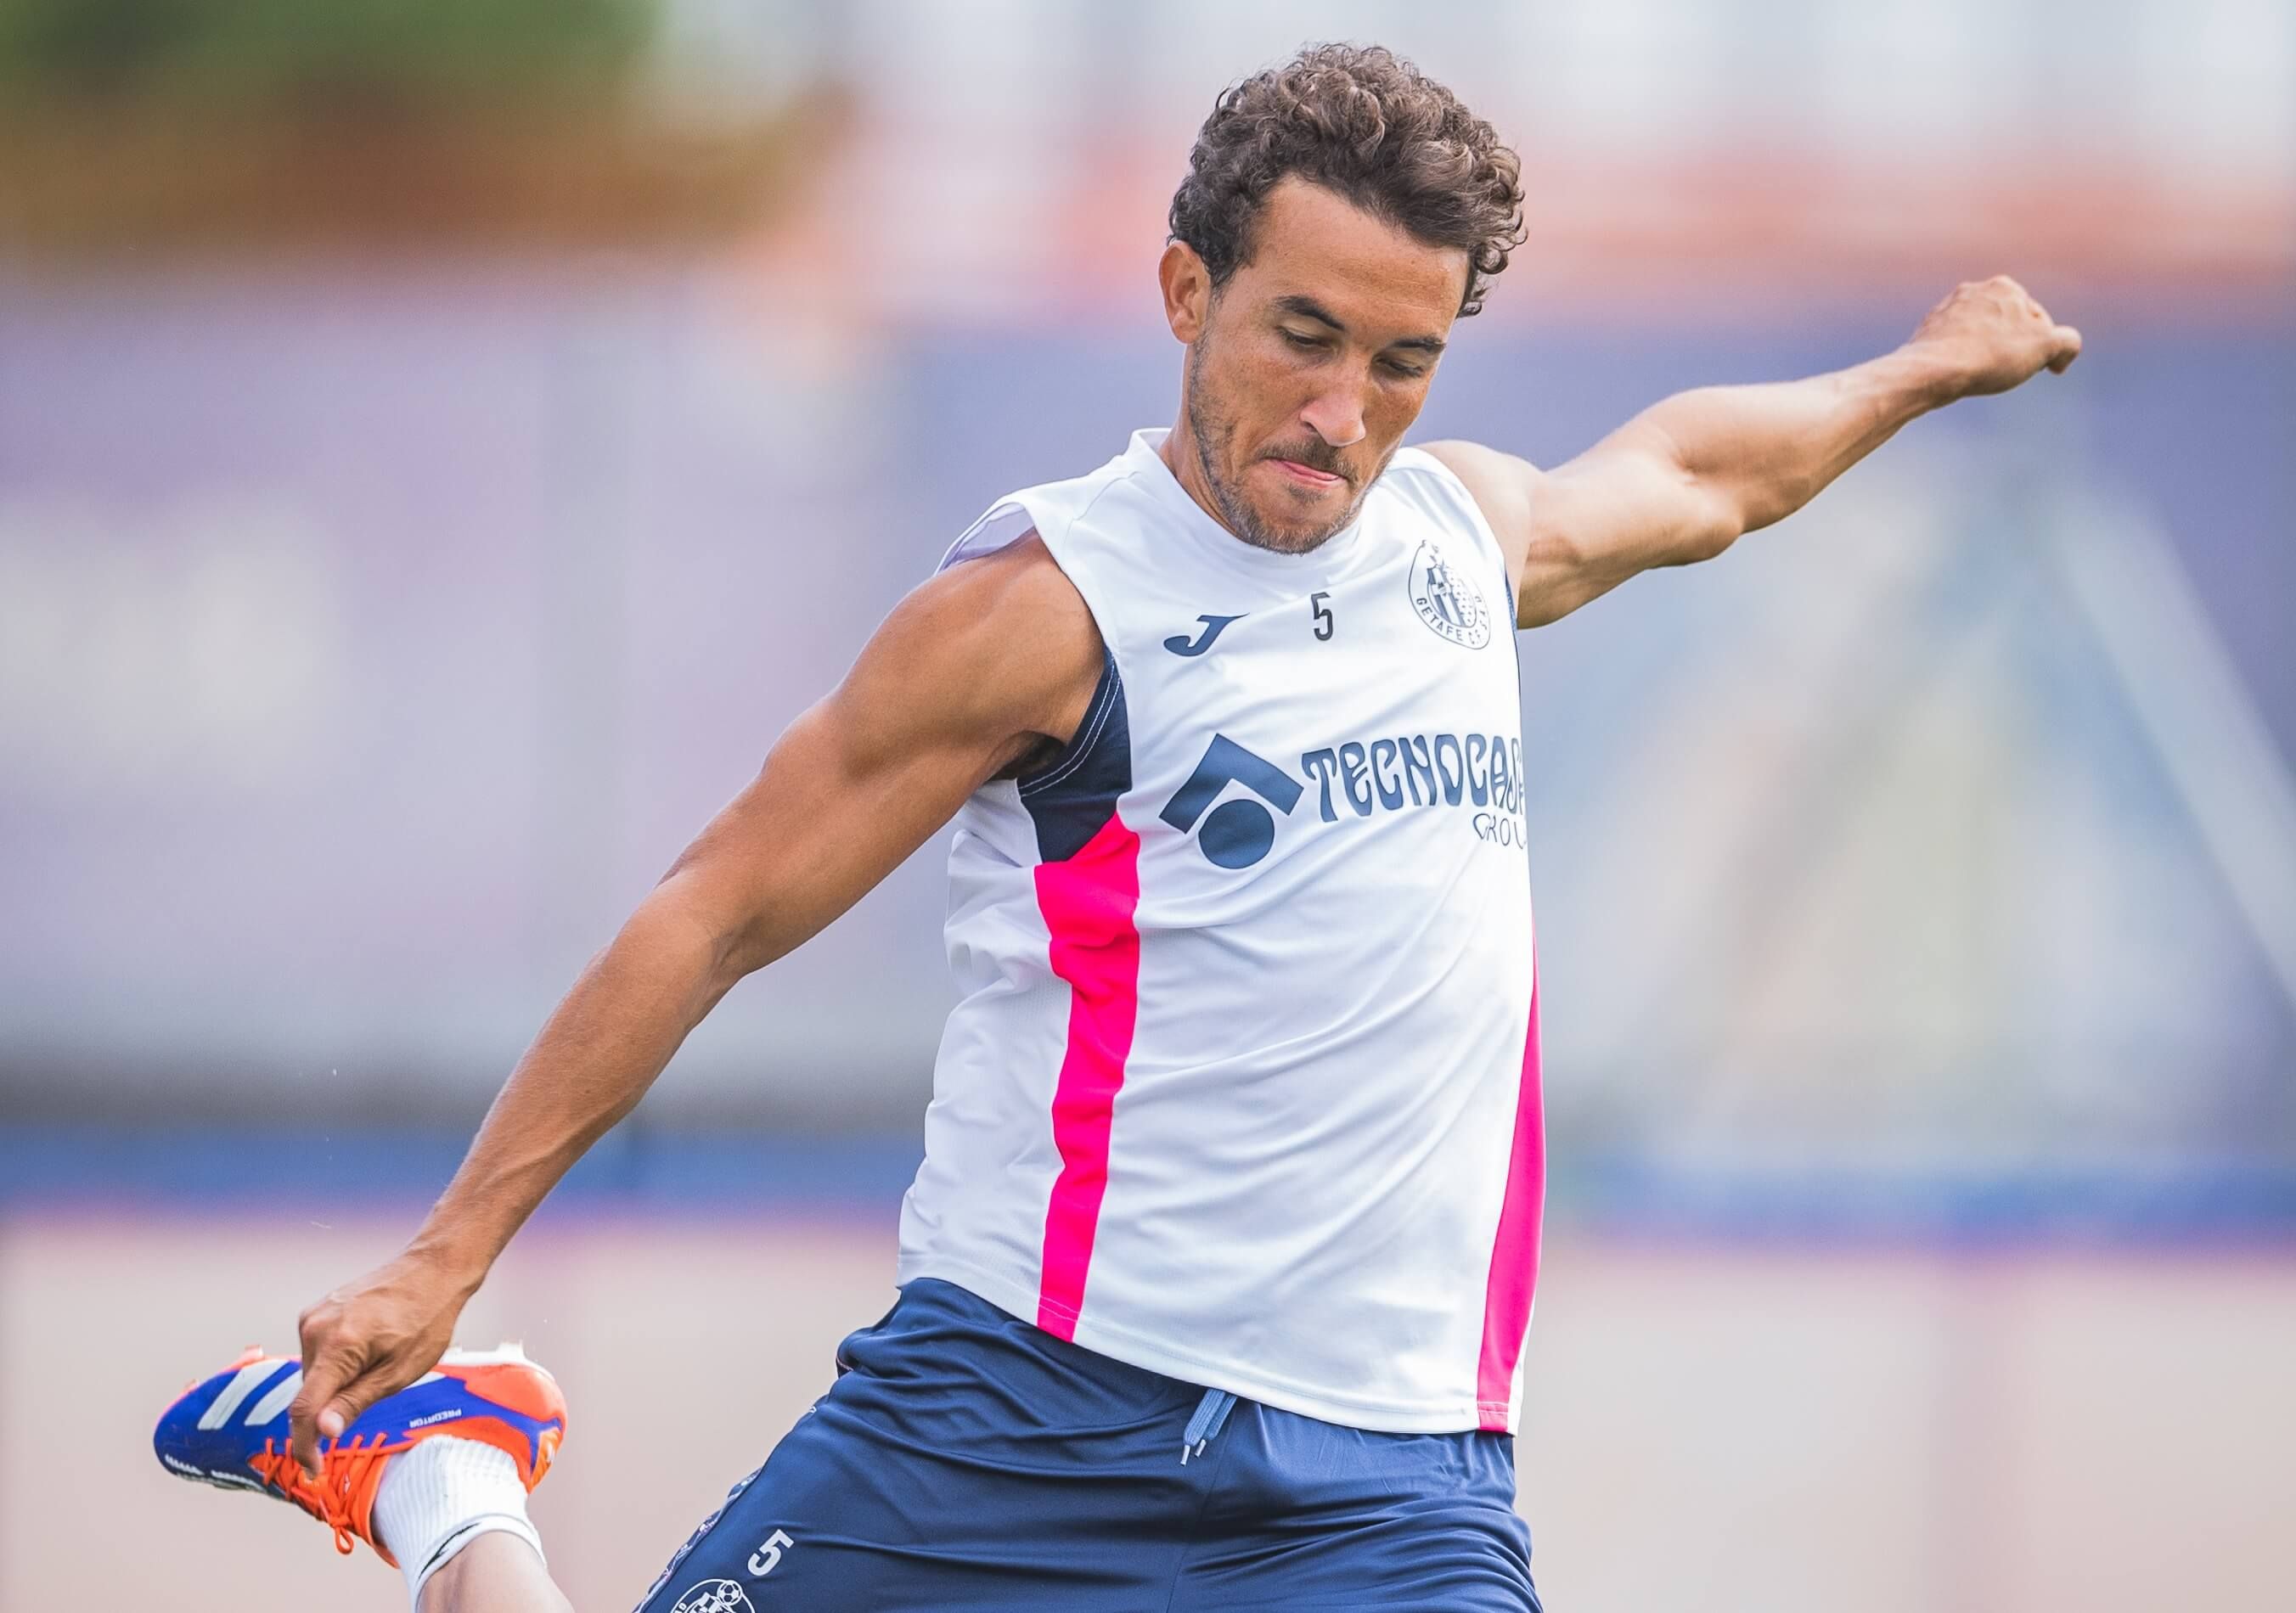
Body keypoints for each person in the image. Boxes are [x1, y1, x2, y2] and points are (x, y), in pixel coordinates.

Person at [154, 42, 2079, 1613]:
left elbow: (1700, 470)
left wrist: (1918, 366)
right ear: (1187, 292)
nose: (1340, 412)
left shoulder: (1458, 539)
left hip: (1394, 1472)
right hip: (1016, 1405)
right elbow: (716, 908)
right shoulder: (1043, 605)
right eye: (1300, 335)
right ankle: (447, 1474)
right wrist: (443, 1254)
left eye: (1399, 363)